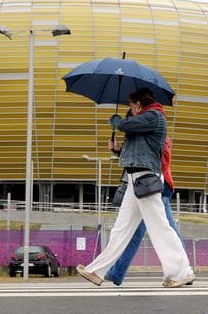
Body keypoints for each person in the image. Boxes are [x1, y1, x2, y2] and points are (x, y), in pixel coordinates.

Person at [76, 88, 195, 288]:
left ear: (139, 103)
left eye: (131, 104)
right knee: (121, 229)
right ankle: (96, 270)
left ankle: (182, 271)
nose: (129, 107)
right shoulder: (143, 122)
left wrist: (116, 121)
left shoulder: (154, 116)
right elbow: (137, 151)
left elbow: (125, 125)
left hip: (146, 179)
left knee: (160, 228)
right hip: (135, 179)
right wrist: (117, 150)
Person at [105, 111, 186, 286]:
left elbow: (153, 159)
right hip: (153, 186)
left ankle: (117, 273)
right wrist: (119, 151)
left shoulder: (156, 133)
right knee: (169, 229)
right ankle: (184, 271)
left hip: (153, 186)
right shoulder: (146, 136)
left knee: (139, 232)